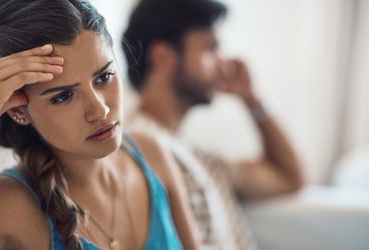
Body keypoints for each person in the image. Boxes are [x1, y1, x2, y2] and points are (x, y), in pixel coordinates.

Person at [0, 0, 199, 249]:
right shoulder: (0, 210)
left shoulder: (152, 155)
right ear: (17, 111)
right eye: (63, 96)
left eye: (104, 77)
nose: (100, 110)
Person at [122, 0, 304, 249]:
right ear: (163, 57)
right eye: (210, 49)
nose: (222, 64)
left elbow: (289, 178)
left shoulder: (200, 156)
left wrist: (253, 100)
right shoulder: (136, 148)